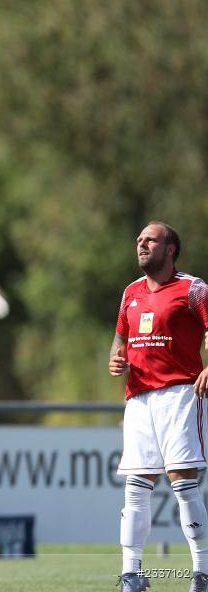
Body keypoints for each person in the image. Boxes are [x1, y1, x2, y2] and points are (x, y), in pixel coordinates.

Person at [109, 222, 208, 592]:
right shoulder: (130, 293)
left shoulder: (193, 289)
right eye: (139, 239)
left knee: (183, 484)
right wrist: (116, 360)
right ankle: (131, 574)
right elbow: (120, 339)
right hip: (138, 397)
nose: (141, 243)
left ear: (170, 249)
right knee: (135, 487)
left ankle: (201, 572)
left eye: (149, 240)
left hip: (181, 395)